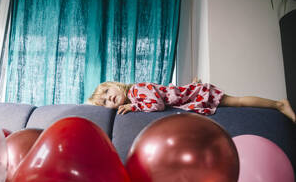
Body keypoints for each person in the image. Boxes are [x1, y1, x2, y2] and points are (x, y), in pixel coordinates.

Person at [87, 79, 296, 123]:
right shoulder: (135, 94)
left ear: (115, 84)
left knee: (238, 101)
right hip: (192, 97)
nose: (109, 97)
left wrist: (135, 106)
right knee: (237, 101)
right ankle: (279, 105)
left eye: (106, 91)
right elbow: (168, 94)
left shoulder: (136, 90)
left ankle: (279, 104)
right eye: (105, 101)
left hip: (198, 95)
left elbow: (158, 105)